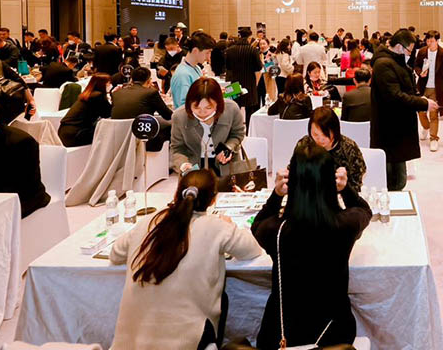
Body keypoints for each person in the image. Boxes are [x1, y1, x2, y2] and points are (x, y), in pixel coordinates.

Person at [109, 169, 262, 350]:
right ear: (213, 200)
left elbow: (116, 254)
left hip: (129, 343)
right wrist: (231, 226)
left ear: (176, 194)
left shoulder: (150, 221)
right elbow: (252, 249)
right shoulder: (217, 227)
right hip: (186, 343)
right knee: (222, 298)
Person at [251, 141, 371, 350]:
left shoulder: (277, 231)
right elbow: (364, 211)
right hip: (334, 333)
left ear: (292, 181)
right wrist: (345, 189)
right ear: (329, 181)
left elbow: (257, 225)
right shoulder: (344, 226)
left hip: (281, 334)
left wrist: (276, 195)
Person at [371, 29, 435, 191]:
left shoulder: (395, 62)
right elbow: (395, 96)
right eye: (409, 50)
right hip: (390, 129)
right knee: (393, 180)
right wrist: (422, 103)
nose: (410, 54)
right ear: (399, 46)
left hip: (398, 127)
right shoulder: (383, 64)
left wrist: (419, 98)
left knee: (398, 178)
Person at [170, 77, 245, 176]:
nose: (202, 112)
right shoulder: (179, 116)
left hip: (227, 168)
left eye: (208, 108)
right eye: (196, 107)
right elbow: (177, 148)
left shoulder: (231, 109)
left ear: (218, 104)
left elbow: (238, 134)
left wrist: (228, 147)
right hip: (194, 171)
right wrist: (183, 164)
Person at [295, 106, 367, 193]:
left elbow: (356, 185)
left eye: (325, 134)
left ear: (335, 130)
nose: (320, 139)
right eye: (315, 134)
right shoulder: (304, 145)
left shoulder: (349, 148)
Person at [111, 67, 172, 151]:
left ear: (132, 79)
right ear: (149, 80)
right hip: (142, 135)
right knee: (171, 125)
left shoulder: (117, 93)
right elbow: (168, 115)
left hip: (120, 135)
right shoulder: (151, 93)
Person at [414, 31, 443, 153]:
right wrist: (420, 72)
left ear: (437, 41)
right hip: (423, 87)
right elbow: (416, 66)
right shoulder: (422, 51)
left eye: (432, 41)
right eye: (428, 40)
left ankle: (434, 138)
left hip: (437, 88)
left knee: (434, 114)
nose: (429, 43)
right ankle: (426, 127)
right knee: (420, 110)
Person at [58, 74, 112, 147]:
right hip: (76, 135)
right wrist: (114, 96)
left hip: (64, 133)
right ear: (102, 84)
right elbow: (107, 113)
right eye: (109, 83)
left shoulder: (87, 94)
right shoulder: (97, 95)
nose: (110, 85)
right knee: (108, 131)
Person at [223, 28, 263, 126]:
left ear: (239, 36)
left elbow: (228, 67)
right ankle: (249, 131)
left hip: (235, 82)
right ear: (249, 38)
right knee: (250, 109)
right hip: (250, 83)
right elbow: (258, 67)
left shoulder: (230, 50)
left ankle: (234, 129)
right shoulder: (253, 50)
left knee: (234, 108)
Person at [170, 32, 216, 109]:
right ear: (195, 51)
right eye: (207, 53)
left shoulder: (196, 68)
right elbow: (183, 106)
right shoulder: (182, 75)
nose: (208, 57)